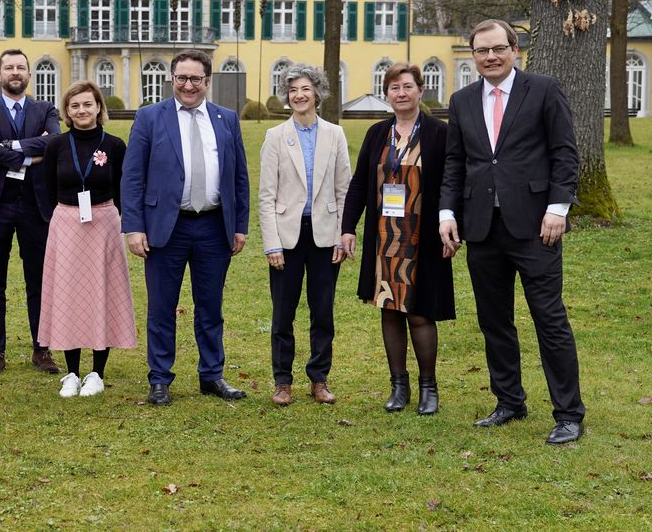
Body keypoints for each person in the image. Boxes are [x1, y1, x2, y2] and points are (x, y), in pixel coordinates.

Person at [439, 19, 584, 444]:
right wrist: (447, 214)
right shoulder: (462, 100)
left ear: (514, 48)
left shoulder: (543, 89)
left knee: (549, 319)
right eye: (481, 51)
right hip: (482, 228)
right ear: (473, 56)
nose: (490, 57)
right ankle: (509, 400)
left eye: (497, 48)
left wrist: (558, 207)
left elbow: (564, 152)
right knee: (494, 321)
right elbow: (455, 163)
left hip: (537, 227)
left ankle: (569, 413)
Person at [122, 49, 250, 406]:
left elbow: (239, 177)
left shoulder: (226, 120)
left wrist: (239, 226)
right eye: (181, 78)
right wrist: (134, 227)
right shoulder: (150, 118)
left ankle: (212, 375)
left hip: (213, 227)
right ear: (172, 80)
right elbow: (132, 177)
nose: (188, 85)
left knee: (210, 307)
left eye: (196, 79)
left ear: (208, 82)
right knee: (162, 308)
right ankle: (160, 379)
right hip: (166, 228)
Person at [341, 62, 455, 415]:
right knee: (389, 310)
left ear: (421, 91)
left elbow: (453, 181)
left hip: (424, 236)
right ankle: (398, 386)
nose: (401, 94)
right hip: (384, 236)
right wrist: (348, 227)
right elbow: (360, 182)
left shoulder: (439, 133)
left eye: (407, 87)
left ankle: (428, 388)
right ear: (386, 94)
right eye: (394, 88)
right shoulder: (377, 133)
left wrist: (452, 223)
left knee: (421, 313)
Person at [258, 64, 351, 407]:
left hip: (325, 236)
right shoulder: (275, 137)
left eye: (305, 89)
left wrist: (344, 236)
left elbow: (344, 190)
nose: (299, 95)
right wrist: (271, 243)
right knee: (283, 313)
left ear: (318, 94)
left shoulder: (335, 135)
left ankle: (319, 378)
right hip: (286, 237)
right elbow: (266, 195)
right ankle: (282, 381)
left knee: (322, 310)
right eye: (293, 89)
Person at [39, 81, 137, 398]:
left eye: (87, 104)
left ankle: (97, 372)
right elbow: (43, 187)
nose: (82, 110)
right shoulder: (56, 145)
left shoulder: (115, 145)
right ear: (67, 111)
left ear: (98, 107)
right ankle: (70, 372)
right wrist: (53, 219)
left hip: (104, 223)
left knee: (101, 292)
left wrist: (122, 220)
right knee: (68, 296)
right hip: (66, 223)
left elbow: (125, 187)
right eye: (75, 106)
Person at [0, 49, 61, 378]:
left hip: (36, 206)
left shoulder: (46, 109)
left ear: (29, 74)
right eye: (8, 67)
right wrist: (27, 153)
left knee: (38, 279)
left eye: (21, 67)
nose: (15, 72)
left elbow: (53, 144)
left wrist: (7, 148)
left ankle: (41, 348)